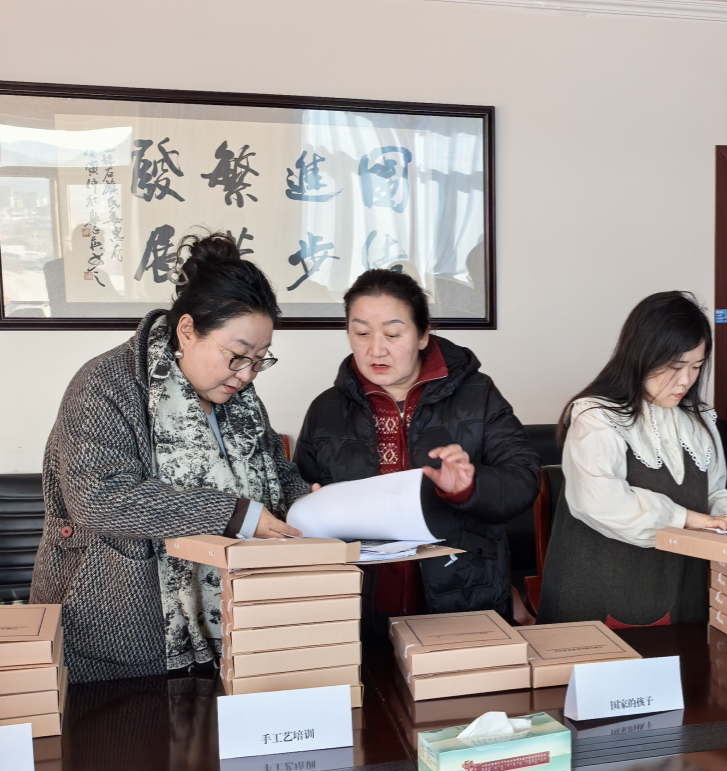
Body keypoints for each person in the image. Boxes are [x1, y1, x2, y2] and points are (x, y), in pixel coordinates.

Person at [31, 232, 312, 683]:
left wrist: (307, 502)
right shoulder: (106, 384)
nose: (247, 374)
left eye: (260, 360)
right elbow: (98, 498)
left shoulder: (238, 395)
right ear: (187, 330)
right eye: (238, 356)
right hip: (122, 628)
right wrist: (231, 513)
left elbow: (273, 468)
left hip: (238, 624)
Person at [295, 269, 539, 625]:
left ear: (424, 334)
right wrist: (311, 505)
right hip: (358, 604)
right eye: (361, 333)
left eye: (393, 334)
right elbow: (299, 493)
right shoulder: (326, 409)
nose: (376, 349)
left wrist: (470, 486)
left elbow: (524, 480)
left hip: (466, 592)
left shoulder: (478, 395)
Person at [536, 291, 727, 627]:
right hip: (602, 590)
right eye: (675, 367)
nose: (686, 380)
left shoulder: (699, 419)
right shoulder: (597, 416)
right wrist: (688, 519)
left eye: (696, 366)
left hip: (680, 587)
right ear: (641, 355)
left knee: (685, 657)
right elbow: (602, 503)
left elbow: (710, 492)